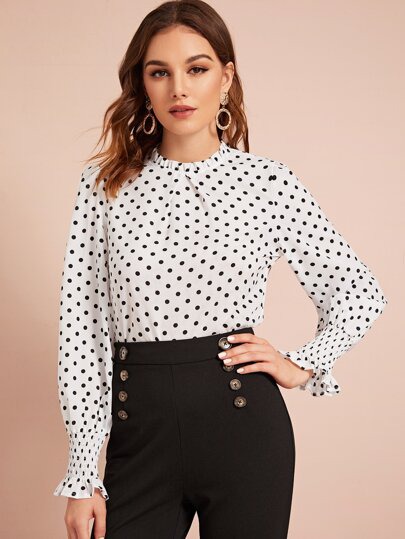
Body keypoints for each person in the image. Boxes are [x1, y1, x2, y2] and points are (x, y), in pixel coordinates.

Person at [53, 1, 388, 538]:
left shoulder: (267, 183)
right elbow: (83, 330)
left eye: (197, 68)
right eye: (159, 72)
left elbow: (358, 292)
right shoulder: (105, 187)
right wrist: (81, 474)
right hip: (139, 434)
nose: (179, 89)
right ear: (142, 84)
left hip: (244, 429)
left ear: (226, 78)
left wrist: (301, 365)